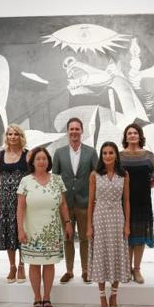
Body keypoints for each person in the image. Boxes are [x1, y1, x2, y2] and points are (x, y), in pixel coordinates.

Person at [17, 147, 73, 307]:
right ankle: (37, 298)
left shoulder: (57, 179)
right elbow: (20, 208)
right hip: (31, 231)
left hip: (52, 231)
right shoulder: (25, 181)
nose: (41, 161)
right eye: (38, 159)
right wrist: (20, 229)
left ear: (48, 161)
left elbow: (63, 204)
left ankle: (47, 297)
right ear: (32, 162)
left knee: (49, 265)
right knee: (34, 265)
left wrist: (68, 222)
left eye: (44, 159)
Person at [86, 142, 131, 307]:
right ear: (101, 156)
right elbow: (90, 202)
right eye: (104, 153)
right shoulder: (95, 175)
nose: (107, 156)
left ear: (116, 155)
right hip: (100, 217)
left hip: (118, 217)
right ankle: (102, 296)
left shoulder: (124, 175)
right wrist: (89, 225)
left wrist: (127, 224)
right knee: (101, 255)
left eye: (111, 152)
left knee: (117, 254)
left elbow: (126, 200)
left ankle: (114, 295)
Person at [52, 117, 98, 284]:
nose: (74, 132)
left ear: (82, 131)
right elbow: (55, 179)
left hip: (85, 203)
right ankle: (69, 271)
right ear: (67, 132)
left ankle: (86, 270)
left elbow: (96, 177)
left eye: (77, 129)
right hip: (65, 203)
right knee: (68, 238)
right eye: (71, 129)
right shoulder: (59, 153)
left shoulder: (91, 152)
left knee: (86, 238)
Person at [120, 123, 154, 284]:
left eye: (135, 133)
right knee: (127, 235)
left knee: (140, 237)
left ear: (140, 136)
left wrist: (148, 186)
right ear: (125, 137)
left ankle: (136, 269)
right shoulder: (120, 156)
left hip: (143, 201)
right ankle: (126, 268)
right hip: (123, 202)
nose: (132, 135)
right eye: (129, 133)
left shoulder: (148, 156)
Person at [0, 124, 29, 284]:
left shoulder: (27, 155)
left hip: (22, 200)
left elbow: (31, 178)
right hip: (5, 201)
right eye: (10, 134)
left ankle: (22, 265)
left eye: (15, 134)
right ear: (6, 137)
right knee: (7, 232)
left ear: (20, 136)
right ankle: (12, 266)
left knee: (21, 231)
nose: (12, 137)